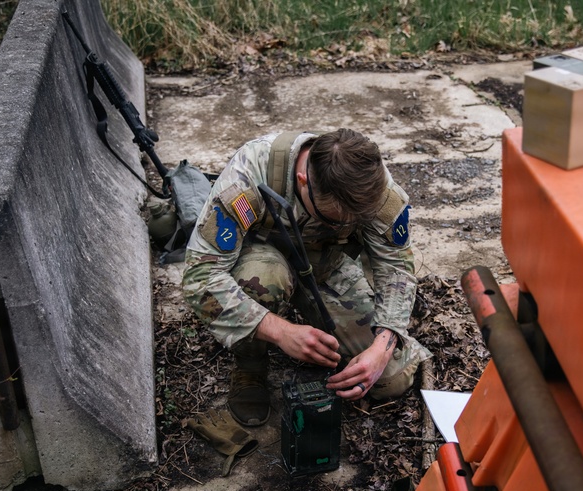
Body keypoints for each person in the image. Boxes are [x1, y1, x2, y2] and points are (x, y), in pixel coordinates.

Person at [182, 128, 431, 426]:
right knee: (263, 278)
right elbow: (200, 276)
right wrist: (280, 332)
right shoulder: (249, 173)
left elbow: (396, 267)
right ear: (304, 181)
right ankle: (250, 363)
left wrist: (382, 345)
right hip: (262, 264)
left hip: (326, 268)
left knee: (392, 379)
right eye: (335, 218)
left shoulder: (371, 186)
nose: (349, 223)